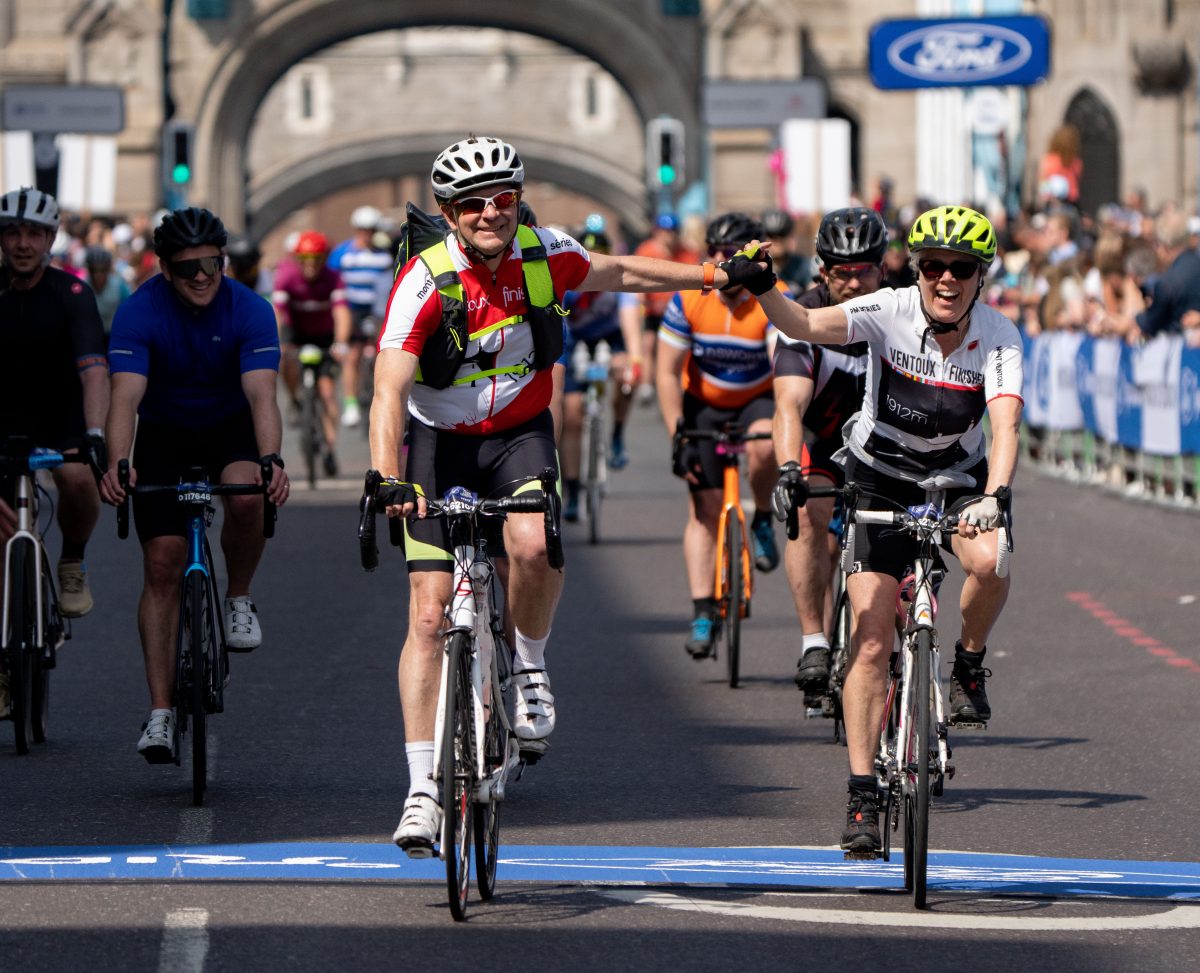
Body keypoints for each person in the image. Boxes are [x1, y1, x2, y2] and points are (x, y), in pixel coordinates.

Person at [371, 135, 761, 856]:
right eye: (473, 204)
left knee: (528, 543)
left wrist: (709, 273)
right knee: (428, 618)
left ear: (518, 201)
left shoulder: (543, 253)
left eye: (503, 199)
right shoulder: (425, 280)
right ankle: (423, 787)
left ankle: (527, 663)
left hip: (519, 431)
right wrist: (383, 475)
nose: (491, 213)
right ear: (449, 213)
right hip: (435, 442)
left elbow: (622, 271)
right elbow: (389, 387)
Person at [733, 204, 1022, 856]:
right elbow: (804, 323)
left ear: (982, 276)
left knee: (994, 559)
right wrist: (763, 287)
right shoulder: (888, 309)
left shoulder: (1001, 335)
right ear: (916, 269)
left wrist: (998, 495)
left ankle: (969, 666)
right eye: (934, 266)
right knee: (867, 641)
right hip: (880, 475)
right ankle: (862, 791)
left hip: (959, 478)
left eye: (962, 269)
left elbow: (1003, 425)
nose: (946, 279)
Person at [99, 207, 289, 763]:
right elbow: (125, 400)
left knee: (249, 493)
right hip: (163, 436)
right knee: (162, 564)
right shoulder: (139, 312)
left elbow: (262, 395)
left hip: (229, 432)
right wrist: (118, 462)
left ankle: (238, 596)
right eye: (187, 269)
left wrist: (272, 459)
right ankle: (160, 713)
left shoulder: (251, 309)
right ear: (163, 269)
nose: (202, 276)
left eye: (212, 263)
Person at [656, 212, 785, 660]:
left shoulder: (771, 296)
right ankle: (702, 611)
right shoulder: (690, 299)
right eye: (715, 253)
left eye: (732, 255)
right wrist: (678, 432)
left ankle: (764, 516)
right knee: (704, 509)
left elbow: (780, 364)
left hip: (756, 398)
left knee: (766, 442)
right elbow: (668, 372)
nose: (722, 262)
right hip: (703, 404)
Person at [771, 208, 888, 697]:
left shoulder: (906, 310)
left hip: (886, 451)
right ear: (822, 269)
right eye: (843, 271)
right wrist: (788, 468)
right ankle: (814, 640)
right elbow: (789, 405)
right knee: (808, 509)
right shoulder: (804, 318)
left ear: (884, 268)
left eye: (865, 270)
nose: (855, 282)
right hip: (824, 441)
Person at [0, 188, 108, 631]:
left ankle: (71, 562)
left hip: (61, 414)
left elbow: (95, 371)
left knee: (79, 480)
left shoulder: (74, 293)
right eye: (12, 233)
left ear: (51, 239)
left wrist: (97, 433)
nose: (23, 243)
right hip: (4, 420)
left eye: (34, 233)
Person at [559, 225, 643, 519]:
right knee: (571, 413)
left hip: (610, 336)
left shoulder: (617, 283)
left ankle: (618, 432)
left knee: (629, 375)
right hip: (574, 339)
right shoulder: (568, 283)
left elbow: (631, 326)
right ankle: (572, 490)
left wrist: (634, 361)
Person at [272, 230, 351, 477]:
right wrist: (278, 342)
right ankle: (296, 399)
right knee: (286, 359)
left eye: (316, 259)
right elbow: (277, 312)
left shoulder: (333, 277)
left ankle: (328, 448)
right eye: (305, 259)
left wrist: (341, 342)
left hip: (325, 336)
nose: (310, 265)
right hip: (296, 333)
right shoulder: (286, 276)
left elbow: (341, 312)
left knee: (327, 394)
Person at [328, 206, 396, 428]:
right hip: (351, 309)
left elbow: (389, 286)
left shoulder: (383, 257)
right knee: (353, 355)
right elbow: (331, 281)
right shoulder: (342, 253)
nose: (367, 234)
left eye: (371, 230)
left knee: (380, 352)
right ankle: (351, 403)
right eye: (363, 230)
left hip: (375, 310)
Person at [633, 213, 700, 404]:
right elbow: (637, 278)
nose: (668, 237)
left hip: (678, 310)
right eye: (664, 232)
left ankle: (683, 381)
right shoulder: (646, 250)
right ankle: (646, 384)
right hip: (654, 310)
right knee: (649, 343)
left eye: (671, 233)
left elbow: (695, 277)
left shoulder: (687, 253)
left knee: (683, 347)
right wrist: (642, 300)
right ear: (656, 232)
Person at [83, 246, 132, 336]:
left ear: (108, 269)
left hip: (113, 333)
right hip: (89, 334)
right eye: (93, 270)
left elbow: (131, 309)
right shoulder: (82, 287)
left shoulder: (119, 286)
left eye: (102, 270)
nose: (98, 274)